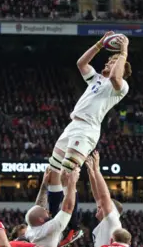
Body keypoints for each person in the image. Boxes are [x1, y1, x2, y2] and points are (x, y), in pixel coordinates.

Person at [48, 31, 131, 173]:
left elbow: (114, 77)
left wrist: (123, 53)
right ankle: (47, 195)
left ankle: (69, 195)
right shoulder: (96, 78)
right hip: (73, 125)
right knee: (52, 171)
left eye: (113, 62)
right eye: (109, 60)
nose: (108, 62)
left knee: (67, 172)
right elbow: (81, 63)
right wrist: (99, 44)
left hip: (87, 129)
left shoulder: (121, 86)